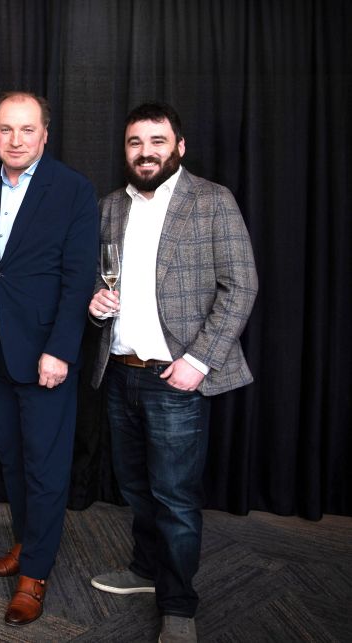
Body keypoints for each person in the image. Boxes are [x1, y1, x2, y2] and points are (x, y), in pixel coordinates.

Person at [87, 102, 257, 643]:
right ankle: (144, 571)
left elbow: (241, 286)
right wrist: (96, 302)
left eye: (157, 141)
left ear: (178, 147)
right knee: (136, 487)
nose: (145, 152)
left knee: (176, 499)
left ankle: (179, 605)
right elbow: (101, 277)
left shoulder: (211, 201)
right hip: (120, 372)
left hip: (176, 379)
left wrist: (198, 361)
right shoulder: (110, 206)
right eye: (135, 142)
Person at [0, 91, 98, 625]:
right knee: (12, 460)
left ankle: (35, 574)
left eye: (27, 130)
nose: (16, 140)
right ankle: (25, 544)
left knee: (45, 467)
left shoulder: (74, 190)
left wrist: (59, 350)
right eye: (6, 130)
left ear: (45, 134)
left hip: (46, 355)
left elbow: (78, 278)